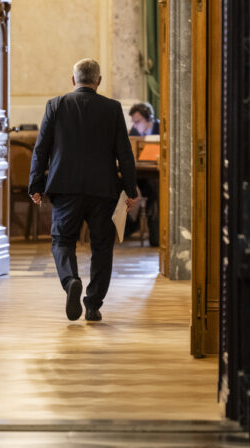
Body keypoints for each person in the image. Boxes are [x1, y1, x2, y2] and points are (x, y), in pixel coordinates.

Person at [28, 58, 137, 322]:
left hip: (65, 188)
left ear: (73, 80)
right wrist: (130, 189)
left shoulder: (55, 105)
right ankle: (93, 305)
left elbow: (41, 149)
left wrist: (36, 185)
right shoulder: (112, 108)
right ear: (98, 81)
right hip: (104, 189)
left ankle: (70, 281)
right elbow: (124, 152)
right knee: (102, 247)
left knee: (62, 240)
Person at [127, 102, 160, 246]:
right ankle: (127, 227)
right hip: (139, 173)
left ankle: (155, 234)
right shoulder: (133, 132)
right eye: (134, 122)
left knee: (154, 191)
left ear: (149, 118)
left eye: (138, 121)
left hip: (156, 173)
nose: (136, 125)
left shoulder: (160, 127)